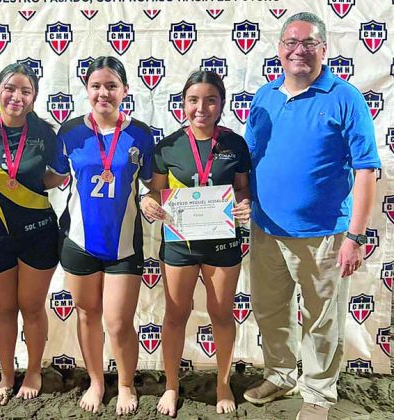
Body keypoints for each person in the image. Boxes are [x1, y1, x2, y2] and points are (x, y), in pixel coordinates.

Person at [242, 12, 381, 420]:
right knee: (270, 311)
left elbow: (366, 170)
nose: (298, 50)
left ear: (323, 48)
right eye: (291, 42)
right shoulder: (264, 96)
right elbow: (249, 160)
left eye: (308, 43)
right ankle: (280, 375)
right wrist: (240, 200)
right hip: (266, 230)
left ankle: (318, 393)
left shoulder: (345, 97)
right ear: (279, 49)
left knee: (322, 319)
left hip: (324, 234)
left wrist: (355, 237)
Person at [46, 56, 154, 415]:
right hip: (78, 242)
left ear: (125, 90)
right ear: (87, 89)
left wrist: (152, 198)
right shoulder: (70, 131)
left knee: (119, 323)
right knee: (87, 315)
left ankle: (124, 384)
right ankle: (95, 381)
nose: (103, 93)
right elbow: (53, 176)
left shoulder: (141, 134)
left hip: (123, 244)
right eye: (96, 86)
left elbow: (154, 185)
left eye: (111, 86)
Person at [140, 70, 251, 416]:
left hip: (222, 244)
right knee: (175, 315)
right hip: (180, 245)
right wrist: (147, 202)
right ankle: (171, 385)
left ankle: (223, 383)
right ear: (183, 103)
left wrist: (245, 204)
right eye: (193, 100)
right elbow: (156, 191)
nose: (201, 108)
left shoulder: (235, 144)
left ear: (221, 104)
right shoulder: (168, 146)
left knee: (221, 315)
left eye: (210, 100)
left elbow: (243, 189)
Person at [0, 63, 59, 405]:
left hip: (39, 233)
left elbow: (58, 175)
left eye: (25, 91)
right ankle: (6, 375)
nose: (17, 96)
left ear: (34, 97)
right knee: (4, 309)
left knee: (32, 308)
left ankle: (33, 372)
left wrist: (24, 187)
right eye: (10, 88)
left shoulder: (45, 133)